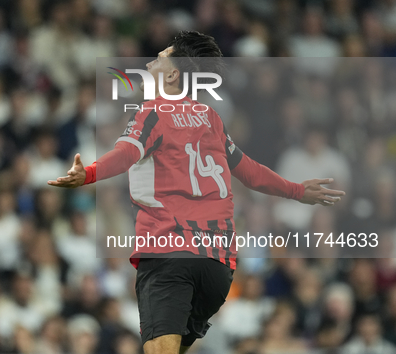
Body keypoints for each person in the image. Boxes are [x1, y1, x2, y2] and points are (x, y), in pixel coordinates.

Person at [48, 31, 346, 354]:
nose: (152, 58)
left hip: (170, 252)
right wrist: (298, 190)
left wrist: (88, 174)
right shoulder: (211, 118)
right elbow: (249, 172)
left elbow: (125, 154)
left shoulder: (152, 112)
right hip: (217, 267)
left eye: (162, 55)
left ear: (174, 74)